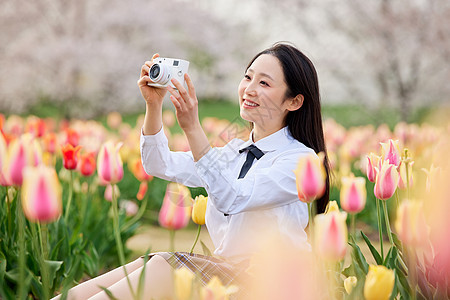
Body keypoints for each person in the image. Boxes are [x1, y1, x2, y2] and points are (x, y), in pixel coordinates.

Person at [54, 42, 330, 299]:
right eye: (248, 77)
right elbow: (159, 164)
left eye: (264, 83)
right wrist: (154, 105)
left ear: (293, 102)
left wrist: (192, 128)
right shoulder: (233, 152)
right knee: (132, 270)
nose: (250, 89)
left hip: (270, 282)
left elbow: (233, 198)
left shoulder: (300, 160)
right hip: (226, 270)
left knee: (163, 265)